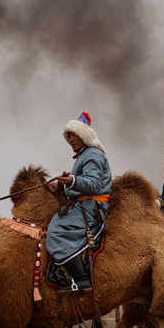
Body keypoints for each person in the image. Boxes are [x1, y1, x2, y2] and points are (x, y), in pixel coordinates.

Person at [46, 112, 112, 291]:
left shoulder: (92, 155)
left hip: (91, 208)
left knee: (55, 232)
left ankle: (81, 279)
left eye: (74, 135)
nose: (71, 140)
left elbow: (94, 184)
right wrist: (67, 185)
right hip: (83, 205)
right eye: (69, 136)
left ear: (84, 136)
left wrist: (72, 181)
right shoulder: (85, 155)